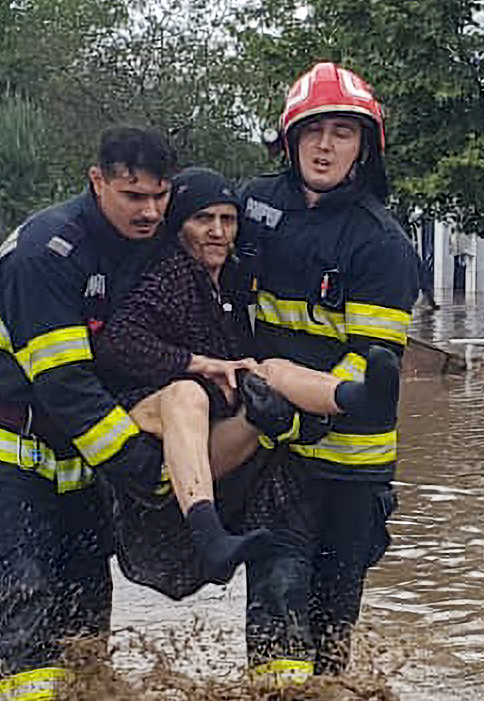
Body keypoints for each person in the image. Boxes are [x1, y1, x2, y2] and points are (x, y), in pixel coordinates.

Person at [0, 126, 176, 701]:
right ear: (96, 180)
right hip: (4, 445)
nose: (150, 211)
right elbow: (67, 386)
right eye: (134, 194)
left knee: (86, 601)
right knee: (25, 593)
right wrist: (142, 468)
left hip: (76, 455)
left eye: (160, 197)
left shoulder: (145, 247)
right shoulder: (47, 254)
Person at [235, 63, 421, 701]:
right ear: (289, 141)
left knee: (331, 620)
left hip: (354, 467)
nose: (325, 146)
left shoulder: (381, 245)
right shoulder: (250, 207)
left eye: (342, 132)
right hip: (276, 458)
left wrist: (300, 400)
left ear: (364, 147)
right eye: (313, 131)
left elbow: (371, 373)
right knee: (276, 600)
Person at [93, 167, 399, 598]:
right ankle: (209, 535)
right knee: (188, 395)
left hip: (212, 437)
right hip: (151, 431)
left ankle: (356, 397)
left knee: (270, 370)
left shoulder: (235, 281)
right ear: (179, 226)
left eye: (228, 220)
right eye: (203, 220)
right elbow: (117, 344)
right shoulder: (167, 277)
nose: (218, 232)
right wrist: (196, 364)